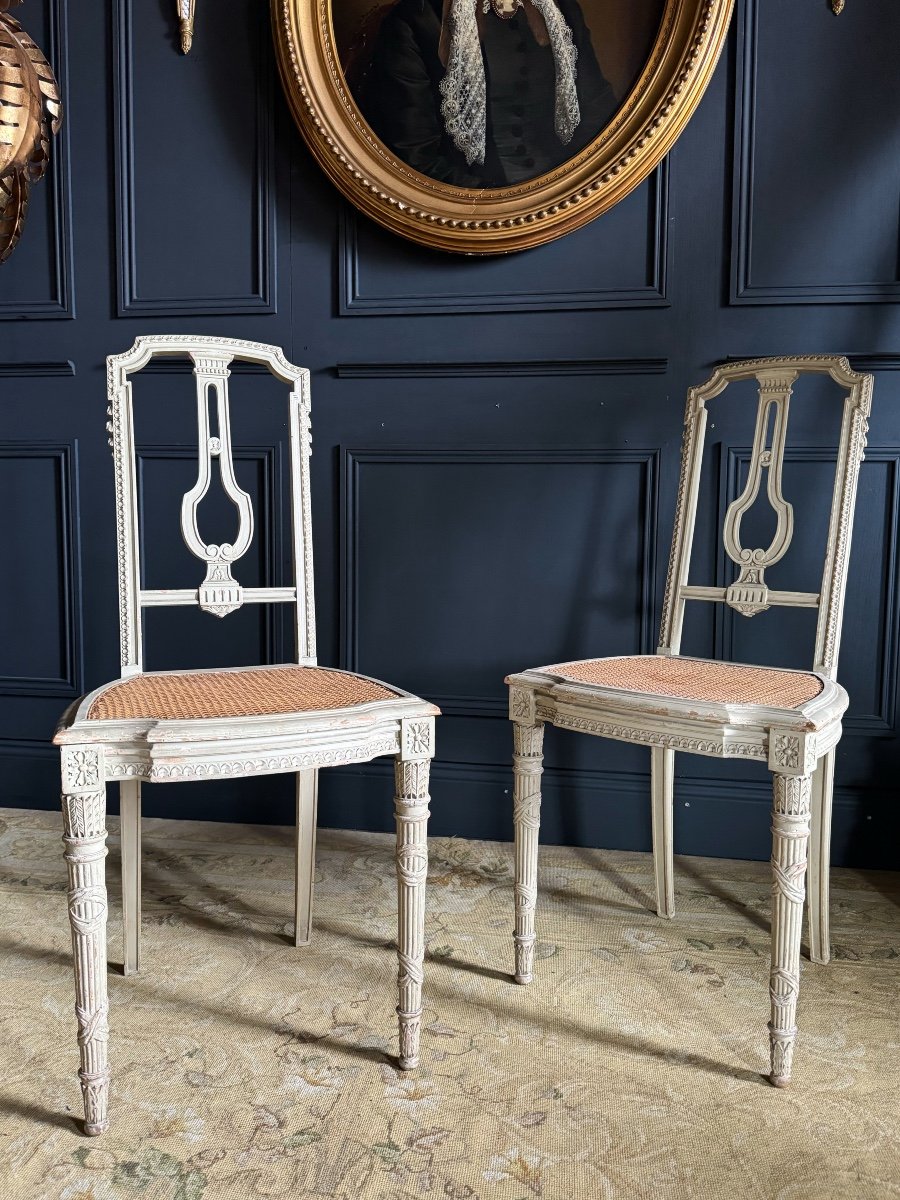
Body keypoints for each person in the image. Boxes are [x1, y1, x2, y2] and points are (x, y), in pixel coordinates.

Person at [356, 0, 619, 189]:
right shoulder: (417, 19)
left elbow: (597, 111)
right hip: (473, 209)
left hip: (568, 195)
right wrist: (500, 204)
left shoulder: (560, 10)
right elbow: (413, 156)